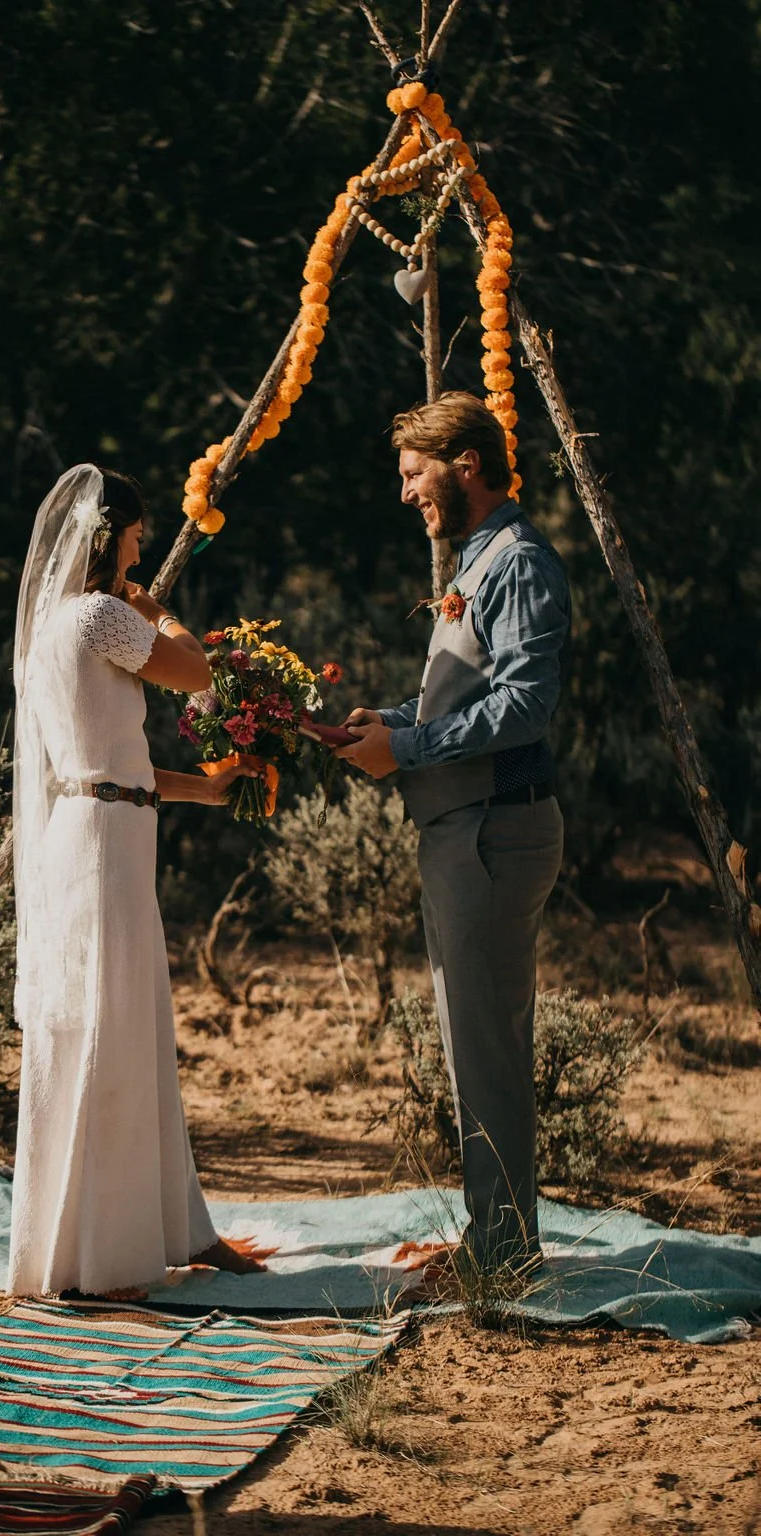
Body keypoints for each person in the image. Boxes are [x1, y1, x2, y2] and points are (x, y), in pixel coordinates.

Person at [8, 463, 266, 1296]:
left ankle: (159, 1230)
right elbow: (199, 673)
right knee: (115, 1030)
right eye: (134, 531)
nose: (142, 543)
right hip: (104, 846)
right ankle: (108, 1254)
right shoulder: (100, 616)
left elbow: (107, 762)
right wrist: (163, 611)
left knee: (120, 1027)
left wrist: (204, 786)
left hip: (103, 827)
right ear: (105, 535)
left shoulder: (52, 625)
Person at [337, 392, 570, 1279]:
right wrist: (386, 723)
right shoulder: (480, 561)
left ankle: (504, 1255)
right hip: (466, 829)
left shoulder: (519, 562)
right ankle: (494, 1237)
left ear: (463, 463)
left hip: (494, 834)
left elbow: (524, 705)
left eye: (413, 473)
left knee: (489, 1051)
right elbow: (468, 698)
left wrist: (407, 748)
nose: (406, 494)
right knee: (474, 1047)